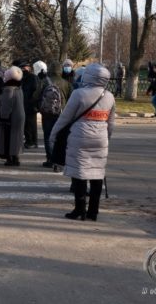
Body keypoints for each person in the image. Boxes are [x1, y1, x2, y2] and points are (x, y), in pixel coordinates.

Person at [50, 63, 115, 221]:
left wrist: (54, 134)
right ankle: (94, 211)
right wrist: (106, 137)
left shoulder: (79, 94)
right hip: (100, 138)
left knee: (79, 174)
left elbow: (65, 117)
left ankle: (79, 210)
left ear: (89, 76)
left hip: (80, 137)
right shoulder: (109, 96)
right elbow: (111, 123)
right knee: (97, 174)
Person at [35, 61, 73, 171]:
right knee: (60, 137)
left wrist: (39, 107)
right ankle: (58, 160)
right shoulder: (66, 83)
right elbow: (72, 98)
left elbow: (36, 96)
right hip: (62, 113)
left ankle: (50, 159)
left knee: (48, 136)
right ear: (61, 70)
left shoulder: (43, 81)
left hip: (47, 114)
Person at [0, 67, 25, 166]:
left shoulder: (8, 89)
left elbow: (7, 105)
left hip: (10, 118)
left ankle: (10, 158)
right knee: (17, 138)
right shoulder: (19, 88)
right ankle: (16, 157)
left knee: (8, 138)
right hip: (19, 116)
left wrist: (3, 117)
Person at [19, 60, 39, 149]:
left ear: (29, 68)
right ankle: (29, 140)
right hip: (23, 104)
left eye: (25, 67)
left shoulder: (33, 77)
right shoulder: (21, 78)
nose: (24, 69)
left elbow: (36, 91)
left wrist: (32, 102)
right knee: (26, 125)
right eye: (22, 68)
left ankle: (33, 141)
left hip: (31, 105)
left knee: (31, 125)